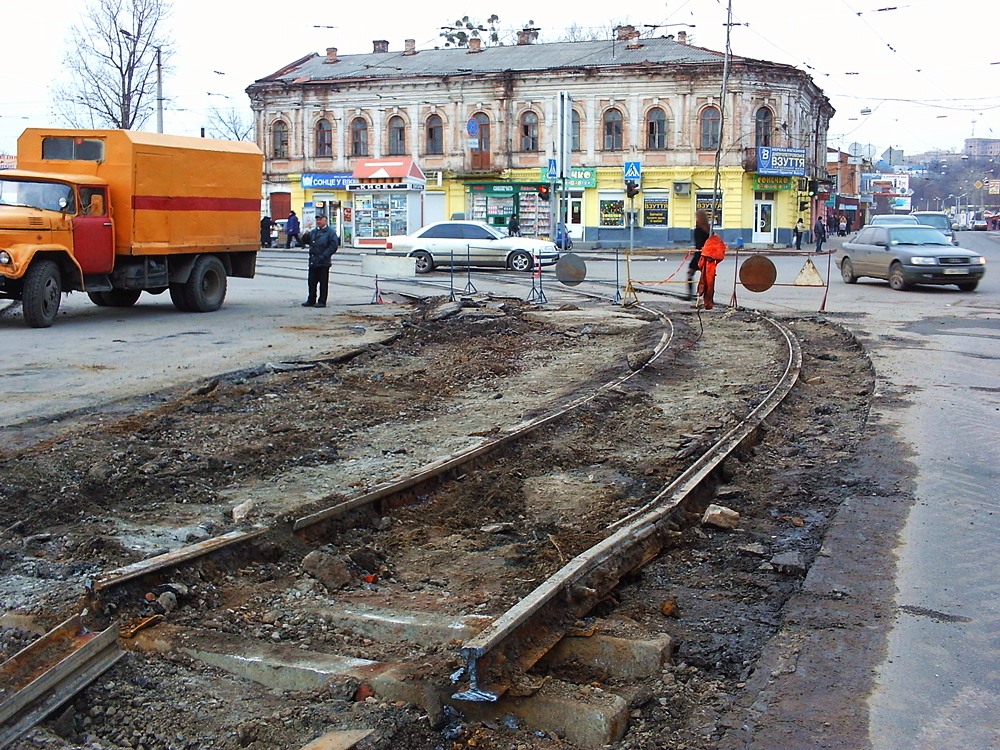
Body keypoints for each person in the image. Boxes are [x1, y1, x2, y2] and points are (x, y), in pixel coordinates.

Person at [302, 214, 339, 308]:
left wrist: (324, 256)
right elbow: (306, 242)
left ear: (325, 220)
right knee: (311, 282)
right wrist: (305, 236)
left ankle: (322, 301)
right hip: (313, 261)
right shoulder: (314, 232)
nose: (318, 221)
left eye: (320, 219)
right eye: (317, 220)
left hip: (323, 262)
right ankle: (311, 299)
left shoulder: (330, 232)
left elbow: (333, 246)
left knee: (323, 283)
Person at [688, 209, 710, 301]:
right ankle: (706, 295)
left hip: (699, 255)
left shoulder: (698, 229)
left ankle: (690, 295)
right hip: (706, 255)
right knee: (706, 277)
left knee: (690, 274)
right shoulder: (708, 228)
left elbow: (699, 243)